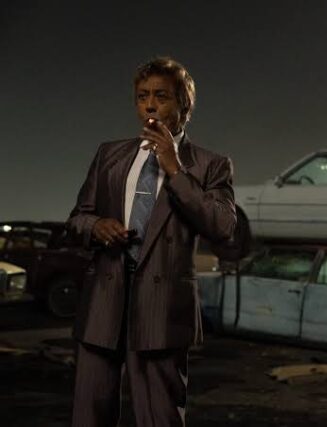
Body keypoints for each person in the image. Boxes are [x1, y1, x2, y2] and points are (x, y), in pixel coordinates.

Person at [67, 57, 236, 426]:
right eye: (142, 96)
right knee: (88, 417)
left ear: (184, 105)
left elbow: (223, 227)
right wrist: (96, 226)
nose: (150, 105)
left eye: (161, 96)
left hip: (161, 310)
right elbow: (77, 218)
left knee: (159, 418)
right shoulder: (110, 155)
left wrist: (174, 169)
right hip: (104, 304)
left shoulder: (209, 164)